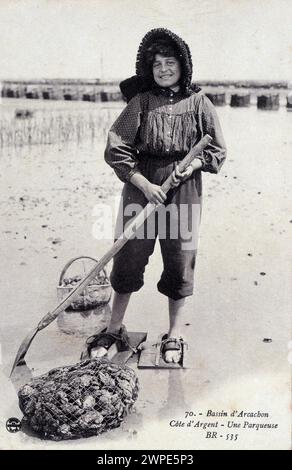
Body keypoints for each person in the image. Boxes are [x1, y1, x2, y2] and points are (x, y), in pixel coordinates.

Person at [86, 28, 226, 364]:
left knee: (180, 259)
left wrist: (191, 168)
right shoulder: (141, 102)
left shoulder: (200, 104)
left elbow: (218, 151)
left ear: (183, 65)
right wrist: (142, 183)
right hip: (141, 186)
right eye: (157, 64)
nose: (163, 69)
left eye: (170, 62)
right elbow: (116, 145)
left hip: (183, 189)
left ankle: (174, 334)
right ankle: (115, 327)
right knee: (128, 256)